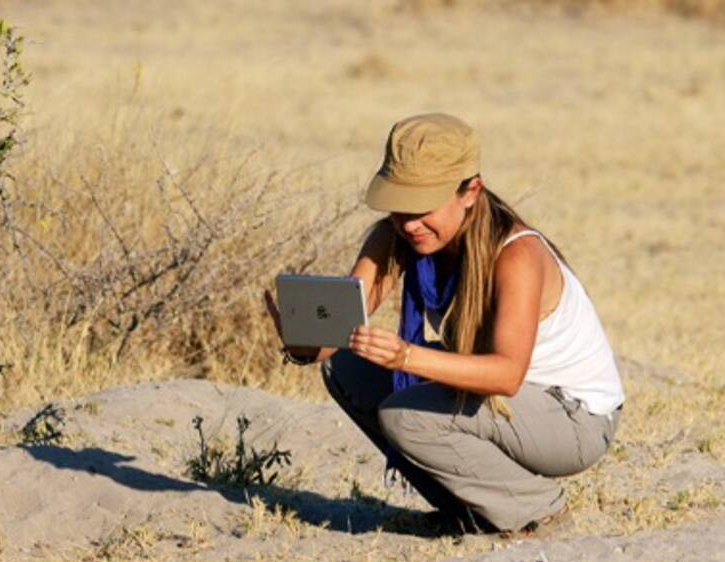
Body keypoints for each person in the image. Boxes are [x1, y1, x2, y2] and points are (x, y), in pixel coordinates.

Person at [263, 113, 624, 534]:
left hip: (574, 419)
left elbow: (506, 374)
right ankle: (469, 511)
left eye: (422, 207)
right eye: (399, 206)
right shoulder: (395, 237)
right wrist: (305, 340)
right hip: (511, 402)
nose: (409, 223)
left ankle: (538, 511)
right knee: (346, 368)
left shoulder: (517, 255)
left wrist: (406, 357)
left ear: (471, 192)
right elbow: (336, 335)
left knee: (407, 417)